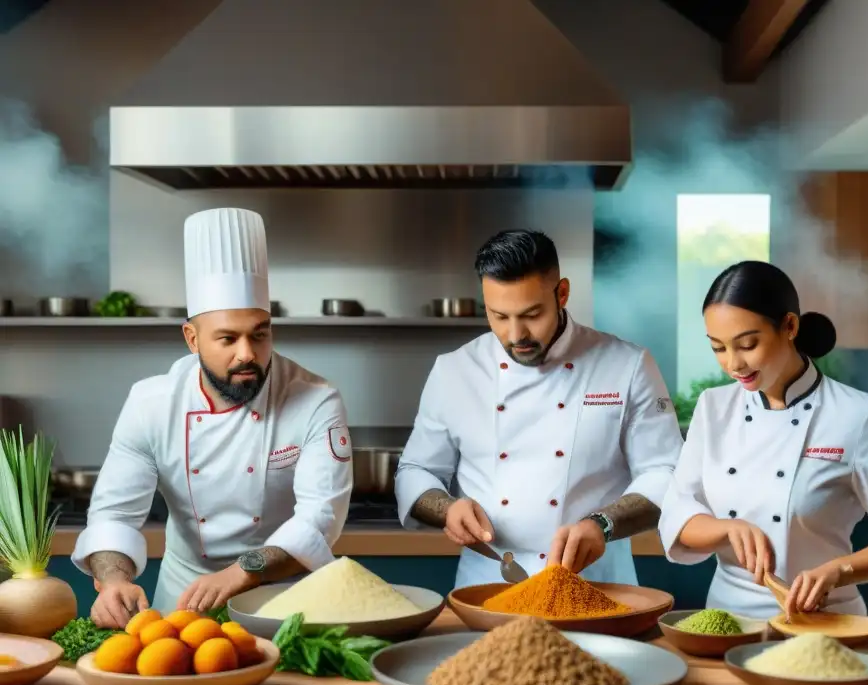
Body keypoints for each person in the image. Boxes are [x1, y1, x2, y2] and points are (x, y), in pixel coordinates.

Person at [72, 208, 354, 627]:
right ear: (192, 339)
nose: (247, 353)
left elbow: (319, 518)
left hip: (286, 605)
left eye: (260, 334)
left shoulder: (314, 399)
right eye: (227, 338)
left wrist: (241, 572)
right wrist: (114, 579)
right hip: (182, 600)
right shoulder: (152, 403)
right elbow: (114, 513)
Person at [395, 229, 683, 589]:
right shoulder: (455, 371)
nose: (516, 335)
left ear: (562, 293)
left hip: (595, 583)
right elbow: (416, 470)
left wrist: (603, 524)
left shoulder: (627, 365)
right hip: (489, 582)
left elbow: (666, 471)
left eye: (532, 314)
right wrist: (447, 509)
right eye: (498, 316)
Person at [658, 260, 868, 619]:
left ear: (789, 326)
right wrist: (727, 529)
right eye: (718, 347)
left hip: (827, 621)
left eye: (747, 344)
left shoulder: (859, 416)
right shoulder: (714, 408)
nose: (733, 364)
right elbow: (679, 511)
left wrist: (839, 571)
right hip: (727, 620)